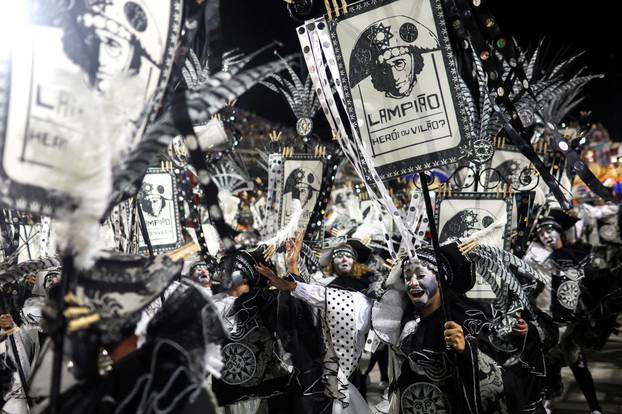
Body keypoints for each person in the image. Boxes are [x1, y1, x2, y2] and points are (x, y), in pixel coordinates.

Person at [257, 240, 520, 414]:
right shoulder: (395, 316)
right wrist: (293, 283)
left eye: (421, 275)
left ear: (441, 278)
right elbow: (338, 300)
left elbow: (501, 373)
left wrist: (466, 351)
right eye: (407, 276)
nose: (413, 283)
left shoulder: (467, 318)